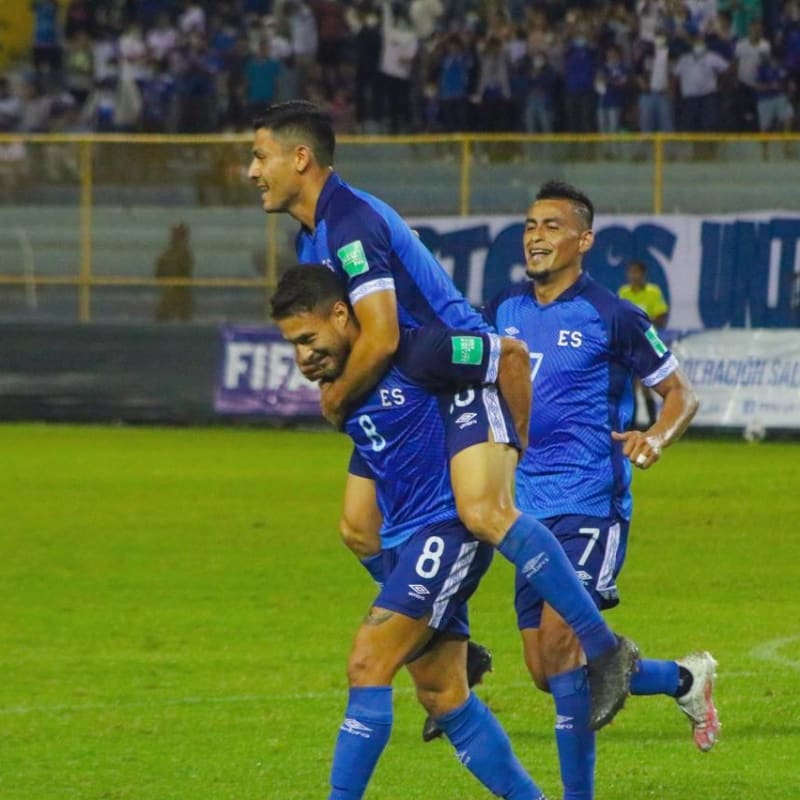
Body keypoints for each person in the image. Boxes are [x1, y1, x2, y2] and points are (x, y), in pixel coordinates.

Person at [248, 100, 639, 730]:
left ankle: (605, 648)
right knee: (358, 528)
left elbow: (376, 337)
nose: (251, 170)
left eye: (260, 155)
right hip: (403, 387)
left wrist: (335, 398)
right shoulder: (312, 234)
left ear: (300, 158)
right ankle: (444, 633)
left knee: (484, 512)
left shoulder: (348, 222)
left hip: (451, 370)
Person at [271, 263, 549, 800]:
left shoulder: (413, 352)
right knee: (443, 693)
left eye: (308, 339)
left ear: (341, 314)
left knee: (368, 658)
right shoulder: (348, 382)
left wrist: (513, 446)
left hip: (446, 530)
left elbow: (506, 356)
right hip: (405, 541)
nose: (303, 355)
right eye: (293, 345)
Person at [480, 181, 719, 800]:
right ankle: (682, 680)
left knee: (562, 646)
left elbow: (681, 394)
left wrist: (655, 439)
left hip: (590, 500)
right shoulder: (502, 309)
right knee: (545, 670)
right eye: (530, 224)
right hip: (522, 509)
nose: (535, 235)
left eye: (552, 226)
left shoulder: (612, 315)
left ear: (583, 241)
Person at [617, 259, 669, 427]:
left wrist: (640, 323)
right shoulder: (623, 292)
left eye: (637, 272)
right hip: (628, 343)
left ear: (643, 274)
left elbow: (662, 317)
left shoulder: (653, 292)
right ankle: (631, 425)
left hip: (648, 342)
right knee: (630, 387)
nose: (634, 276)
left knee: (647, 385)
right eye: (631, 272)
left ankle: (654, 423)